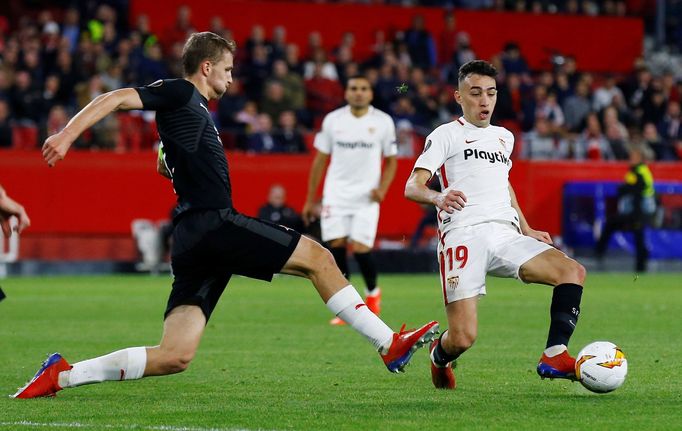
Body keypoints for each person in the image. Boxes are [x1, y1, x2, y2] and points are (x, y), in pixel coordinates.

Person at [13, 32, 438, 399]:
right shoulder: (182, 92)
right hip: (212, 222)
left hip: (192, 238)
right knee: (319, 258)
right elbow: (119, 96)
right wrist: (66, 134)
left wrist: (170, 161)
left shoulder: (193, 113)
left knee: (175, 355)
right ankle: (388, 343)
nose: (232, 78)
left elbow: (167, 160)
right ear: (206, 67)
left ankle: (62, 375)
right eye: (228, 69)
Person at [404, 60, 586, 390]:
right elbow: (412, 187)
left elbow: (504, 183)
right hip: (463, 234)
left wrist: (526, 228)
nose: (484, 101)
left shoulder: (504, 138)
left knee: (571, 271)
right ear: (458, 96)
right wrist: (438, 197)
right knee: (462, 338)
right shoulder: (446, 134)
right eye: (475, 93)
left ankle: (555, 353)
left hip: (505, 233)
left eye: (490, 93)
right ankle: (439, 356)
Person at [302, 74, 398, 325]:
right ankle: (347, 307)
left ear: (370, 93)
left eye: (363, 88)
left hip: (366, 196)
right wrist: (310, 199)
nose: (358, 92)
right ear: (346, 93)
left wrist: (383, 189)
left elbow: (391, 161)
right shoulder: (333, 121)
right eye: (353, 88)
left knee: (362, 249)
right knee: (337, 246)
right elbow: (320, 160)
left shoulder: (383, 122)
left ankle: (373, 295)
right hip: (336, 194)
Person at [595, 147, 656, 272]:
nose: (630, 159)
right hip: (633, 211)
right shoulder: (634, 171)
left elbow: (637, 190)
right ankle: (599, 254)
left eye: (633, 157)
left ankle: (640, 266)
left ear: (640, 158)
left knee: (636, 235)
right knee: (614, 225)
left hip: (639, 211)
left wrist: (624, 189)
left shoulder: (640, 172)